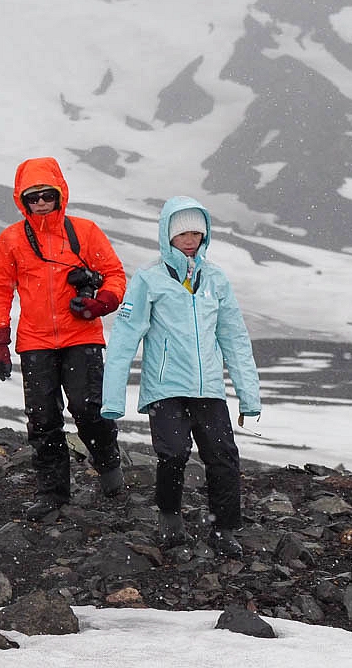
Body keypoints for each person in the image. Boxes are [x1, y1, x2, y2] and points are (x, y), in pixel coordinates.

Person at [101, 196, 261, 558]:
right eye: (182, 233)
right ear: (167, 235)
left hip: (209, 389)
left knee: (223, 456)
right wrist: (112, 399)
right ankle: (170, 520)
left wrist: (249, 397)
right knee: (172, 454)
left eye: (196, 233)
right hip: (165, 387)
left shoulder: (216, 279)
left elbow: (234, 338)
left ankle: (225, 529)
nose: (190, 240)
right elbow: (125, 338)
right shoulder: (148, 279)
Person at [0, 156, 128, 521]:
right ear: (22, 200)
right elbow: (0, 289)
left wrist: (100, 303)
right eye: (33, 197)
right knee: (43, 418)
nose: (41, 203)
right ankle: (53, 492)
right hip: (35, 342)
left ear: (60, 194)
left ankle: (109, 463)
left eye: (47, 195)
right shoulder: (11, 239)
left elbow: (115, 275)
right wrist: (0, 339)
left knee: (86, 408)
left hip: (82, 334)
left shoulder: (85, 232)